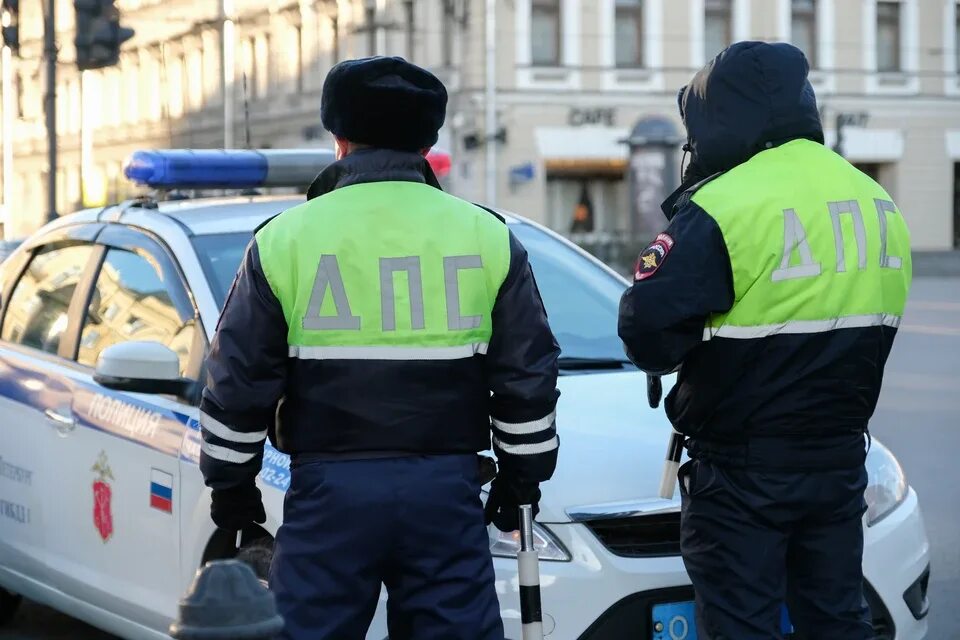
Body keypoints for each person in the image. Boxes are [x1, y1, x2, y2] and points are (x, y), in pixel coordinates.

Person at [197, 56, 560, 640]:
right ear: (428, 138)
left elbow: (237, 383)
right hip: (447, 494)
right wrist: (523, 477)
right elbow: (527, 377)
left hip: (330, 496)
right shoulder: (487, 236)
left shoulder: (285, 239)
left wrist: (232, 491)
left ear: (338, 137)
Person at [618, 41, 911, 640]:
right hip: (838, 458)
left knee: (741, 624)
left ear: (719, 120)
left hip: (742, 470)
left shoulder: (725, 204)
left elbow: (646, 335)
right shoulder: (876, 200)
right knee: (836, 619)